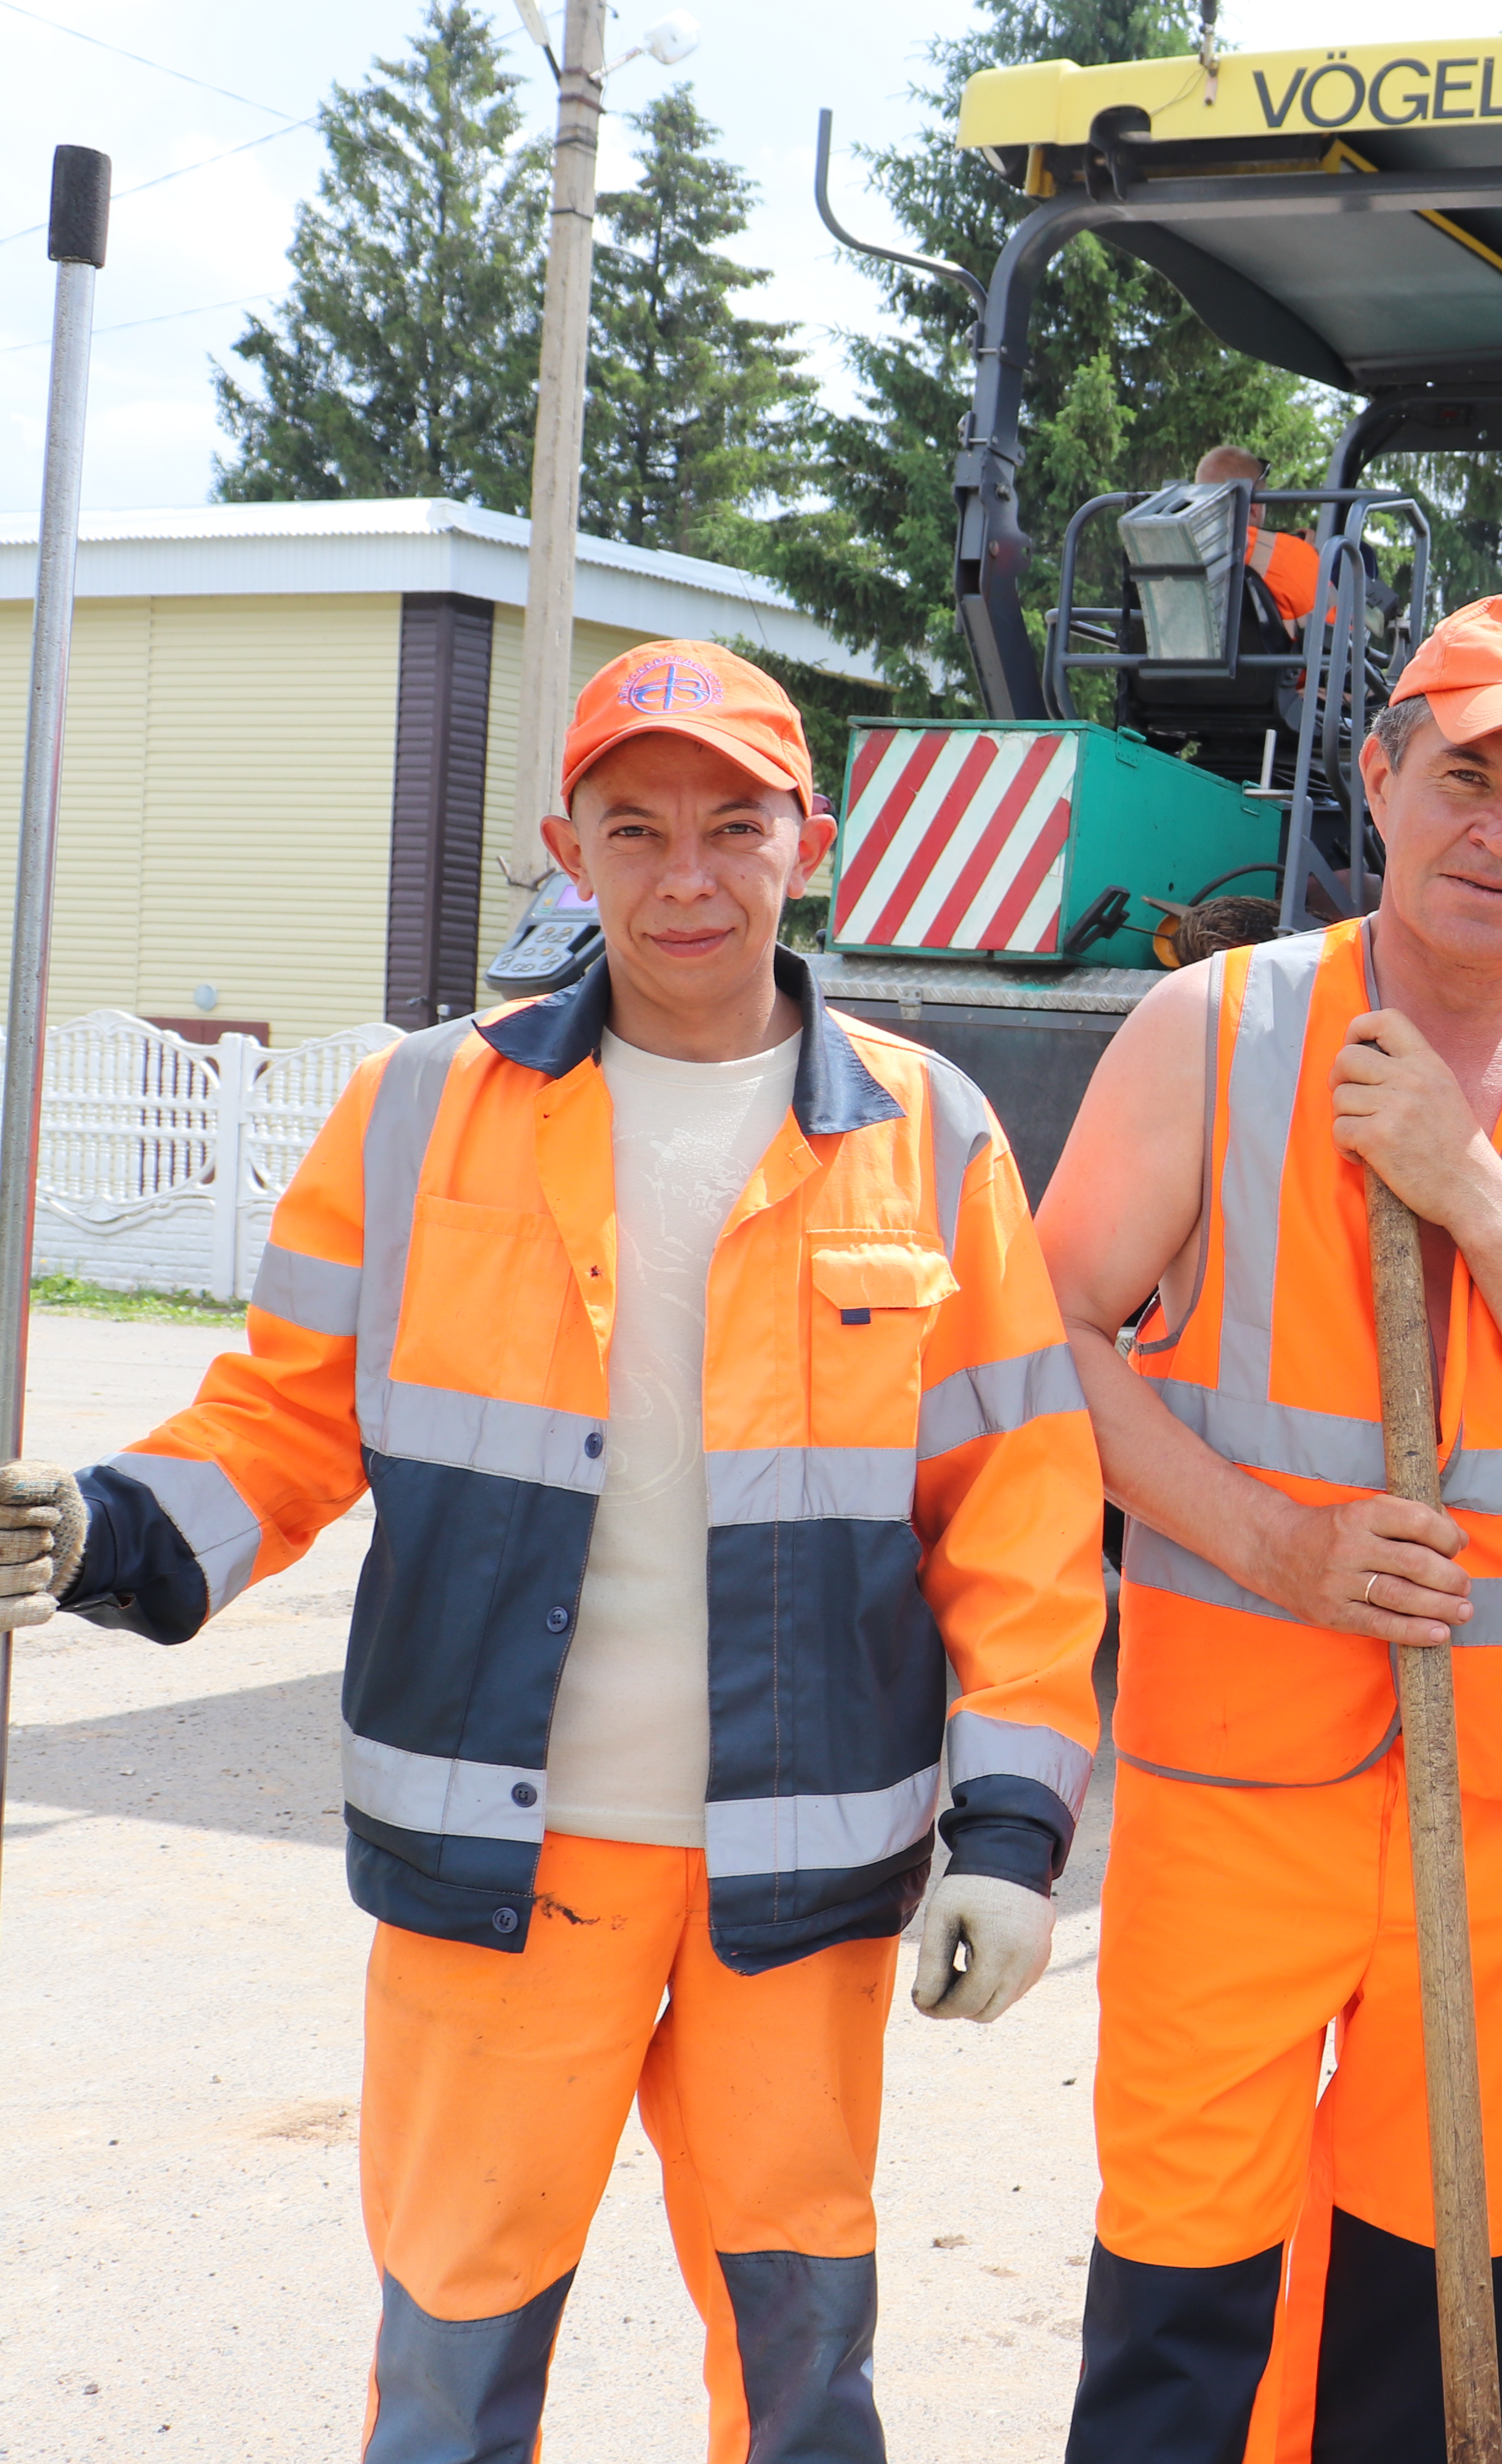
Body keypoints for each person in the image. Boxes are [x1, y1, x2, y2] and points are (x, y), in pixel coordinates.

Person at [0, 639, 1107, 2460]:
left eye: (734, 824)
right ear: (562, 847)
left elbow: (1021, 1517)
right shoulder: (420, 1112)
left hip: (796, 1867)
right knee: (453, 2353)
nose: (688, 875)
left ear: (806, 842)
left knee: (803, 2355)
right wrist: (110, 1523)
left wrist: (1011, 1834)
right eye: (636, 827)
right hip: (502, 1862)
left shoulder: (928, 1132)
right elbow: (284, 1414)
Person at [1038, 594, 1502, 2461]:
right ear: (1376, 775)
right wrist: (1270, 1544)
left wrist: (1476, 1193)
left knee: (1418, 2350)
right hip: (1233, 1789)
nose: (1499, 832)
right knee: (1179, 2315)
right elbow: (1037, 1348)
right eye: (1465, 778)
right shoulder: (1220, 1025)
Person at [1196, 442, 1321, 628]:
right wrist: (1311, 561)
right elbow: (1341, 632)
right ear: (1254, 507)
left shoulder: (1168, 550)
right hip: (1274, 656)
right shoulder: (1290, 555)